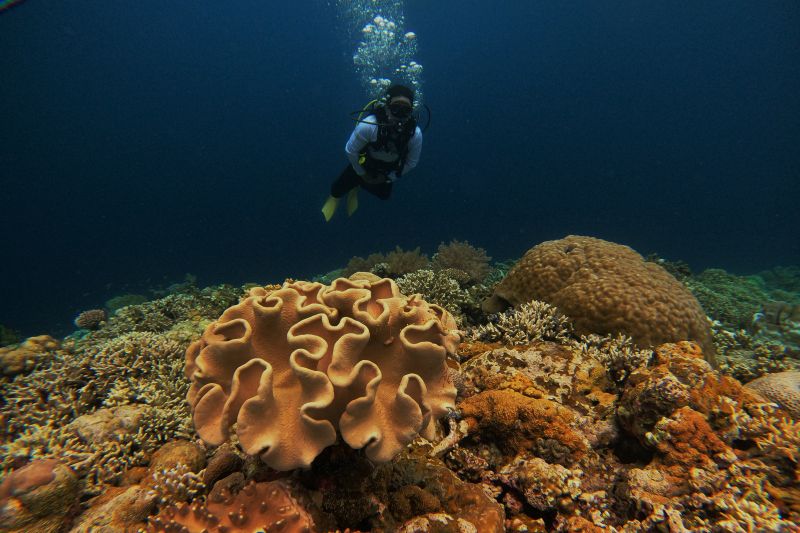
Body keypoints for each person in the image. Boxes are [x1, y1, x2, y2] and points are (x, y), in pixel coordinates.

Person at [321, 84, 423, 221]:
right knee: (337, 189)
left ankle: (357, 186)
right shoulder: (369, 125)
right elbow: (351, 151)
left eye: (405, 110)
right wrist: (362, 174)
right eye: (395, 108)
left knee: (384, 195)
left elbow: (412, 162)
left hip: (387, 170)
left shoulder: (415, 134)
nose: (399, 115)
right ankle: (343, 191)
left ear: (412, 111)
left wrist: (389, 178)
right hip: (364, 163)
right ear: (387, 107)